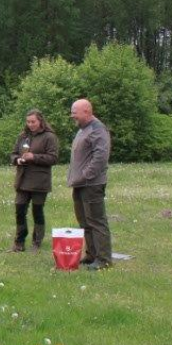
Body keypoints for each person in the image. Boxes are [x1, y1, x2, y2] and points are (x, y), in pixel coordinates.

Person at [67, 98, 112, 270]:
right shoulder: (83, 129)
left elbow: (100, 158)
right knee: (84, 221)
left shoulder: (97, 129)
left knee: (96, 221)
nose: (72, 116)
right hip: (80, 185)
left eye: (75, 113)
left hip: (91, 185)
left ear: (86, 111)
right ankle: (91, 254)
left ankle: (104, 259)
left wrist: (85, 176)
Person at [7, 109, 59, 253]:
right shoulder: (23, 136)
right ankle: (19, 242)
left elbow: (53, 158)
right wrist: (17, 159)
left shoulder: (49, 137)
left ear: (40, 121)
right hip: (22, 180)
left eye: (33, 122)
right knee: (19, 209)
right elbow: (13, 154)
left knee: (37, 211)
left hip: (39, 181)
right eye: (28, 121)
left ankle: (37, 243)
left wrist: (33, 157)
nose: (30, 124)